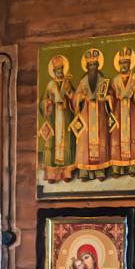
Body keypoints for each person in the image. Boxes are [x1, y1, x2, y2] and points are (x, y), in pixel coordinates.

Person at [72, 48, 114, 180]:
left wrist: (108, 98)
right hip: (86, 115)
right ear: (87, 67)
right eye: (90, 65)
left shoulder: (103, 80)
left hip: (100, 114)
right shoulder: (83, 81)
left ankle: (100, 170)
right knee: (84, 142)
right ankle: (84, 171)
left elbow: (111, 94)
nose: (92, 67)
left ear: (98, 65)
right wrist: (81, 97)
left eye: (94, 65)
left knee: (101, 140)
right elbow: (76, 97)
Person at [108, 47, 135, 177]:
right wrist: (109, 97)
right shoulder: (115, 80)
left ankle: (132, 166)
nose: (123, 65)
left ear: (130, 64)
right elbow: (111, 93)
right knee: (116, 138)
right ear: (118, 64)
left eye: (126, 63)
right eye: (121, 63)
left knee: (133, 136)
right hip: (118, 112)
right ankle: (117, 167)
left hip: (131, 111)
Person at [41, 55, 75, 184]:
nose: (60, 71)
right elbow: (43, 102)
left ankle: (66, 172)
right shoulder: (50, 84)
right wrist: (47, 103)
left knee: (66, 144)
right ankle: (52, 174)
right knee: (52, 144)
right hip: (54, 118)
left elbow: (74, 99)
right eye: (57, 69)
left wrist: (69, 92)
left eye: (61, 68)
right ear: (54, 71)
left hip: (66, 117)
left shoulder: (67, 83)